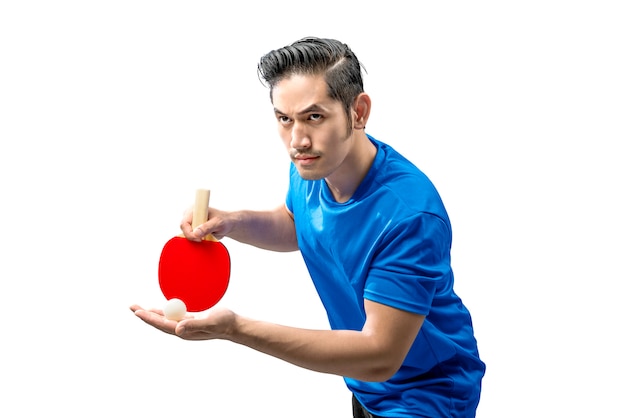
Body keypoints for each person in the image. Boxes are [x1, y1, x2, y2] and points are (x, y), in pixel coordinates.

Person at [131, 36, 486, 417]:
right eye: (285, 119)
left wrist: (235, 329)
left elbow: (380, 355)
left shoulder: (410, 216)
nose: (297, 140)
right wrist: (233, 222)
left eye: (314, 117)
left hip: (427, 395)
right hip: (366, 385)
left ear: (358, 112)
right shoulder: (313, 165)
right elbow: (295, 224)